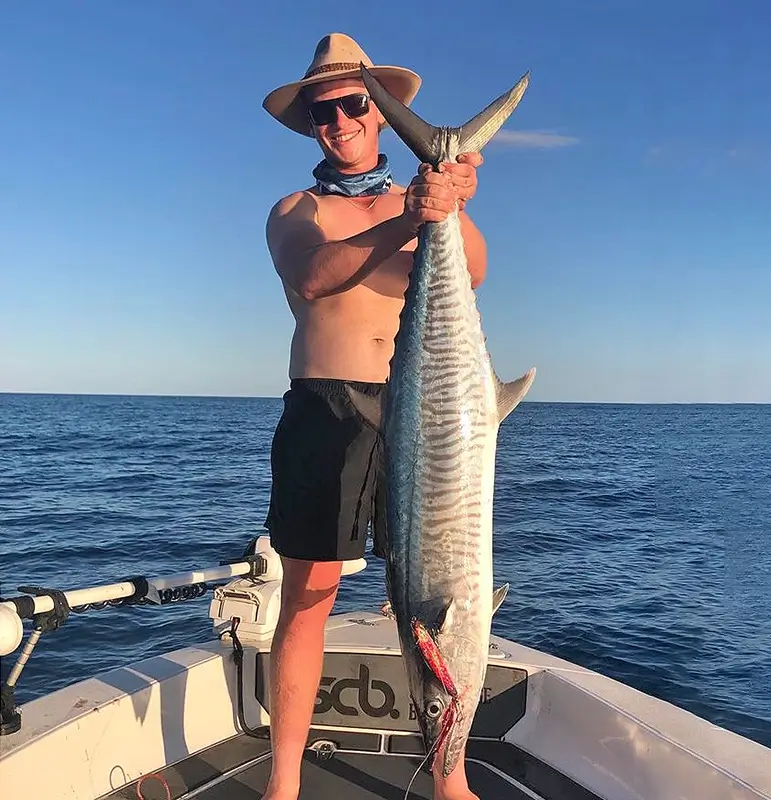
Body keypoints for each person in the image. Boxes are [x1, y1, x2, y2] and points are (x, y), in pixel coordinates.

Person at [259, 33, 488, 800]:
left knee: (427, 595)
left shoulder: (419, 199)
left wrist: (447, 200)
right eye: (324, 110)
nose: (340, 118)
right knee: (310, 595)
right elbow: (316, 276)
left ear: (382, 114)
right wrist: (410, 218)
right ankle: (284, 784)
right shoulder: (298, 209)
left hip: (424, 408)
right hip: (328, 408)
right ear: (312, 126)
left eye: (355, 103)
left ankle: (448, 778)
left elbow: (477, 270)